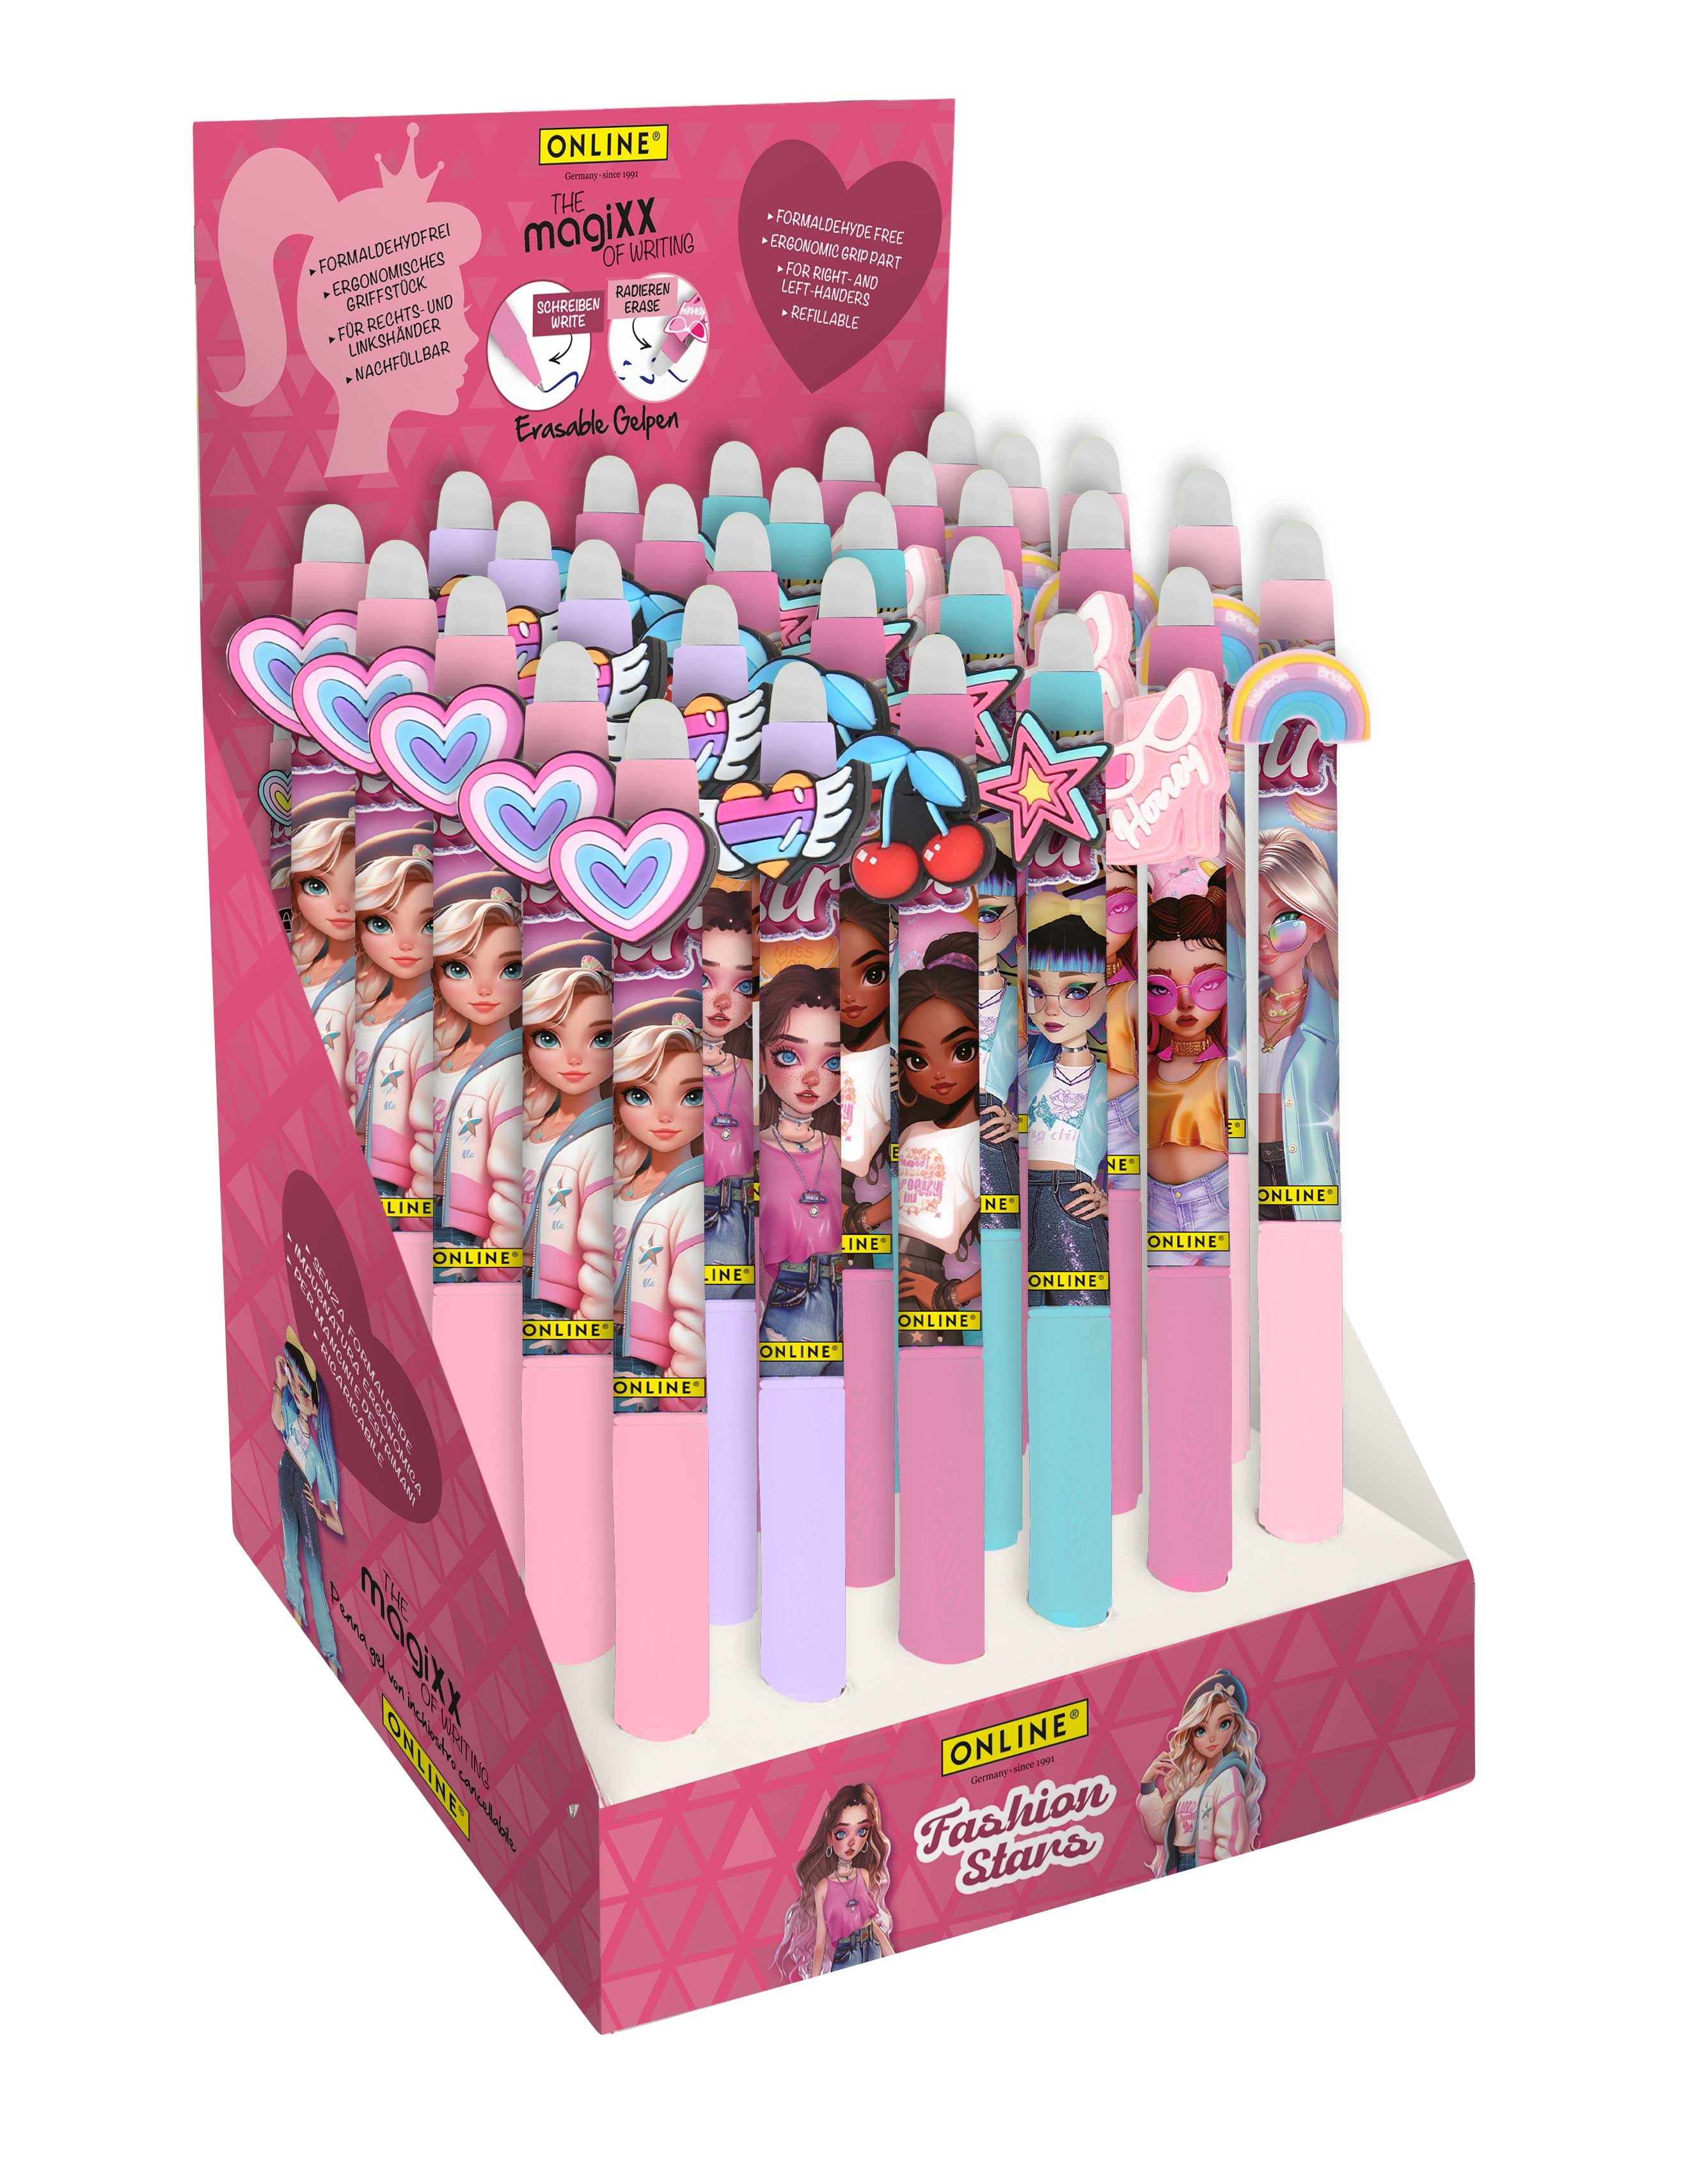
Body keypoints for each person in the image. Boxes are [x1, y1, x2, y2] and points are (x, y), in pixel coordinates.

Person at [425, 880, 525, 1280]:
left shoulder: (515, 1071)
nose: (484, 990)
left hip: (468, 1236)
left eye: (510, 969)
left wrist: (494, 1268)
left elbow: (511, 1186)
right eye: (459, 968)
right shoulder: (440, 1052)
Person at [610, 1002, 707, 1406]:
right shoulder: (619, 1184)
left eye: (692, 1095)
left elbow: (694, 1321)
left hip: (650, 1372)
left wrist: (678, 1400)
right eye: (640, 1095)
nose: (665, 1116)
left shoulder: (693, 1200)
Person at [521, 955, 614, 1346]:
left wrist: (584, 1332)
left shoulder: (605, 1141)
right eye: (549, 1038)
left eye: (601, 1038)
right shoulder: (530, 1124)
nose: (575, 1058)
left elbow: (601, 1254)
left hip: (562, 1307)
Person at [896, 936, 982, 1346]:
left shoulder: (986, 1141)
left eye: (963, 1051)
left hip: (927, 1283)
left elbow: (1016, 1244)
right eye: (918, 1060)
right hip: (881, 1269)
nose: (939, 1074)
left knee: (929, 1373)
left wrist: (950, 1296)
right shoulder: (914, 1133)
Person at [756, 964, 842, 1371]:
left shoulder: (849, 1153)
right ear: (762, 1058)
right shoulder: (749, 1155)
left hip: (860, 1298)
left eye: (833, 1062)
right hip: (785, 1309)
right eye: (788, 1056)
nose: (811, 1078)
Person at [1251, 828, 1340, 1220]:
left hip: (1308, 1172)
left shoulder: (1334, 1018)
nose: (1264, 941)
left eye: (1285, 921)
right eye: (1252, 920)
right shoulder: (1238, 1014)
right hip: (1244, 1168)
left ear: (1318, 924)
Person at [1024, 905, 1109, 1302]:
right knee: (1016, 1317)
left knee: (1082, 1317)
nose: (1050, 1009)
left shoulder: (1113, 1081)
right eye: (1037, 990)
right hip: (1015, 1202)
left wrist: (1113, 1202)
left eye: (1075, 991)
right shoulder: (1027, 1074)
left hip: (1071, 1202)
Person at [1146, 869, 1230, 1267]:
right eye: (1160, 987)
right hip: (1156, 1210)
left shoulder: (1228, 1071)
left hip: (1222, 1203)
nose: (1185, 1004)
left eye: (1207, 983)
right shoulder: (1143, 1069)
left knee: (1233, 1299)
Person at [351, 836, 434, 1206]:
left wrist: (415, 1208)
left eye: (429, 925)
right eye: (381, 923)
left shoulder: (431, 1024)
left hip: (392, 1181)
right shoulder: (364, 1006)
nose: (406, 943)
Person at [1137, 1670, 1266, 1875]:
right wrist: (1148, 1787)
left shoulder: (1229, 1777)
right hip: (1184, 1864)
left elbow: (1231, 1844)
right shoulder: (1192, 1781)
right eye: (1201, 1731)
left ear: (1235, 1726)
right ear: (1191, 1735)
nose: (1212, 1738)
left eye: (1223, 1724)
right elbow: (1161, 1834)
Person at [269, 1331, 343, 1674]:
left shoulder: (316, 1454)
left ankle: (330, 1653)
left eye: (304, 1392)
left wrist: (323, 1516)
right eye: (297, 1388)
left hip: (303, 1490)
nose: (298, 1394)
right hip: (285, 1475)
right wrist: (280, 1383)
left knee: (315, 1573)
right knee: (289, 1550)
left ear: (314, 1407)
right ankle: (296, 1609)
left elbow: (337, 1522)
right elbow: (277, 1419)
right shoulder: (289, 1419)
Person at [773, 1783, 896, 1980]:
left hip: (872, 1947)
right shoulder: (824, 1887)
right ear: (830, 1838)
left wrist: (891, 1954)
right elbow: (820, 1941)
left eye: (862, 1831)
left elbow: (870, 1923)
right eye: (842, 1833)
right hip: (846, 1955)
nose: (852, 1842)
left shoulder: (863, 1876)